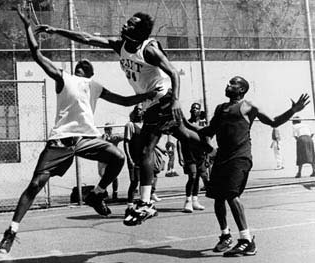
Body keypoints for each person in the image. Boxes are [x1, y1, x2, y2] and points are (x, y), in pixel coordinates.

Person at [0, 8, 161, 255]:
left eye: (86, 64)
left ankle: (96, 194)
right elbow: (36, 53)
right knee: (35, 185)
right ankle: (11, 231)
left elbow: (126, 102)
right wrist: (28, 27)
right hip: (61, 141)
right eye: (80, 65)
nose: (82, 65)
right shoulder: (64, 78)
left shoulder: (95, 86)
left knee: (117, 158)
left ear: (91, 72)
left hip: (86, 140)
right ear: (76, 70)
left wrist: (151, 95)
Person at [35, 12, 213, 226]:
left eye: (130, 24)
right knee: (184, 133)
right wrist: (56, 30)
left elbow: (174, 73)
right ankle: (215, 153)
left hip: (162, 98)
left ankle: (146, 203)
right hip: (150, 103)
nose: (125, 25)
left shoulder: (148, 49)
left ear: (139, 32)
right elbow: (88, 38)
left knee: (147, 150)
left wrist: (175, 100)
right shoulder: (120, 45)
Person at [185, 76, 309, 257]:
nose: (228, 85)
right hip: (222, 157)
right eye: (228, 82)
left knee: (231, 194)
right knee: (218, 197)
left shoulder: (249, 106)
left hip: (240, 157)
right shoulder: (220, 109)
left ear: (242, 89)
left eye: (233, 83)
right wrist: (182, 123)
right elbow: (207, 132)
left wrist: (293, 110)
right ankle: (225, 236)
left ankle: (247, 240)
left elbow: (273, 121)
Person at [123, 105, 164, 219]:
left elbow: (150, 142)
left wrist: (161, 149)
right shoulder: (130, 125)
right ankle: (129, 206)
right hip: (134, 158)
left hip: (144, 159)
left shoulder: (146, 126)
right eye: (137, 110)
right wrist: (129, 159)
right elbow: (126, 143)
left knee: (145, 182)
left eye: (141, 110)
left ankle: (144, 205)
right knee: (134, 182)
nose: (139, 112)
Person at [177, 102, 208, 212]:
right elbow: (179, 141)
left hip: (200, 155)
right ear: (190, 111)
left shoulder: (203, 125)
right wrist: (180, 156)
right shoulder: (186, 124)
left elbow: (206, 140)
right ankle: (188, 201)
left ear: (200, 111)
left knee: (198, 177)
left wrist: (207, 155)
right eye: (193, 108)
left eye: (197, 108)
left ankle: (195, 200)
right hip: (189, 154)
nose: (195, 110)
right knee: (193, 176)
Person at [98, 122, 124, 200]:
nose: (108, 131)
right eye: (106, 129)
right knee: (103, 175)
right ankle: (104, 193)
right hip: (103, 159)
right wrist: (104, 138)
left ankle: (115, 193)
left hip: (112, 159)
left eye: (109, 129)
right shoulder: (102, 137)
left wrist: (116, 136)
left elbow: (123, 136)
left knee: (114, 176)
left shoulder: (114, 137)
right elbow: (99, 144)